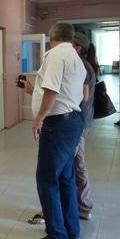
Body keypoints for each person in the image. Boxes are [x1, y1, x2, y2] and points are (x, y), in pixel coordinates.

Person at [24, 32, 95, 226]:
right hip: (72, 121)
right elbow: (61, 91)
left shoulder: (66, 59)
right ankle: (70, 221)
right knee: (66, 171)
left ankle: (75, 213)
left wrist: (40, 116)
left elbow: (78, 96)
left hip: (66, 122)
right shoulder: (74, 61)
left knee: (62, 172)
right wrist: (36, 91)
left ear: (77, 47)